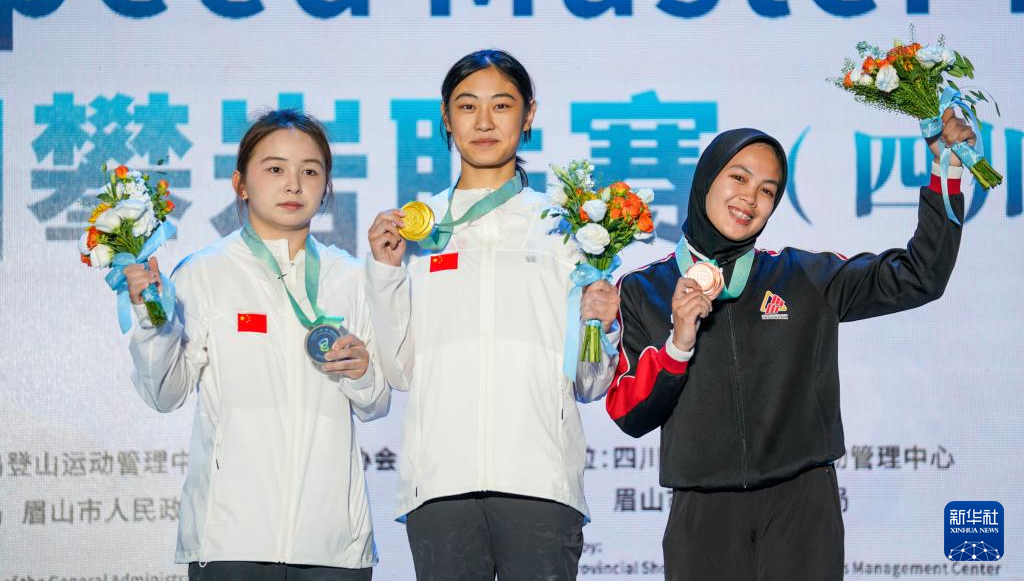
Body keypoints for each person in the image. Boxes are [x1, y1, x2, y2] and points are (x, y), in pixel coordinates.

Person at [606, 114, 974, 580]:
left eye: (767, 190)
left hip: (802, 506)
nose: (750, 198)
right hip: (703, 513)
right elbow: (630, 414)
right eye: (739, 178)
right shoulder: (644, 290)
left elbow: (921, 277)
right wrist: (678, 344)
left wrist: (946, 171)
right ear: (705, 181)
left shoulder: (803, 276)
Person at [364, 49, 620, 580]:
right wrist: (385, 273)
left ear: (528, 115)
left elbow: (590, 383)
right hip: (440, 484)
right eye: (467, 106)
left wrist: (603, 325)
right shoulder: (417, 227)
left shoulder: (566, 229)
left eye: (501, 105)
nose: (483, 122)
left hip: (541, 482)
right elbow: (400, 371)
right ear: (446, 117)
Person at [125, 109, 389, 580]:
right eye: (275, 169)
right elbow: (164, 394)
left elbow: (376, 403)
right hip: (230, 540)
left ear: (326, 187)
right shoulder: (205, 272)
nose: (294, 184)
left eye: (310, 171)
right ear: (241, 184)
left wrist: (363, 371)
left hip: (333, 545)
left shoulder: (351, 277)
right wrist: (153, 322)